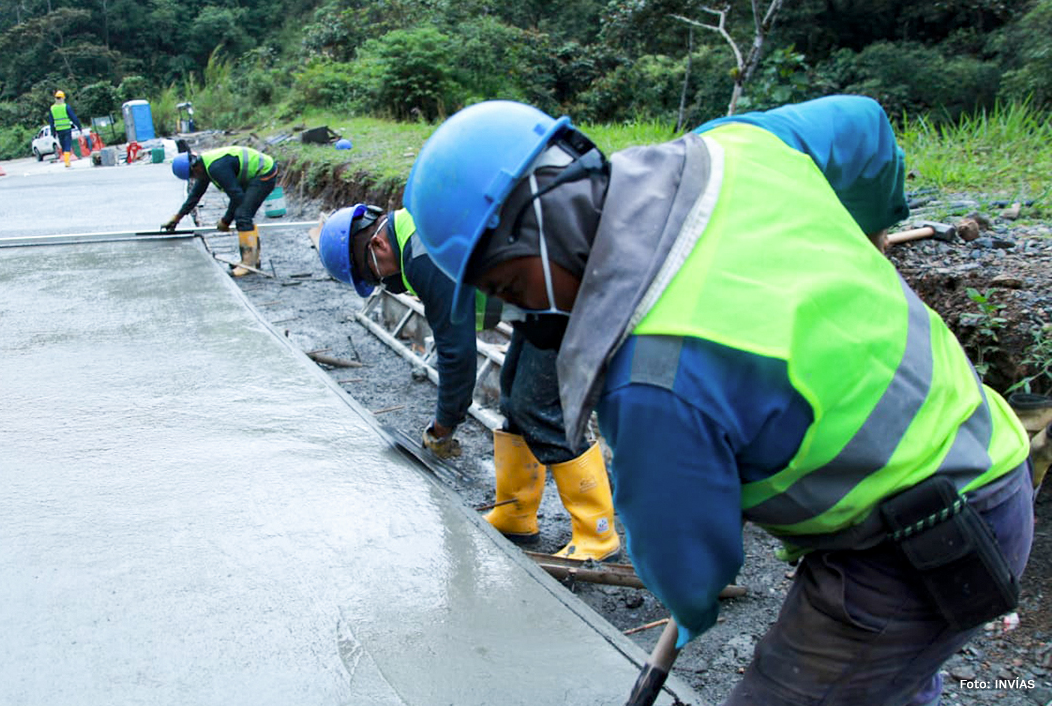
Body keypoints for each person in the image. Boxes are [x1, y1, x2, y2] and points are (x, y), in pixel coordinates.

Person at [403, 96, 1034, 705]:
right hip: (985, 451)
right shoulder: (730, 150)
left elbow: (690, 570)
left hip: (916, 547)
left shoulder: (654, 373)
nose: (521, 313)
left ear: (551, 220)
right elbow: (864, 127)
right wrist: (872, 227)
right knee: (890, 682)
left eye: (509, 283)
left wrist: (690, 608)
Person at [316, 205, 620, 560]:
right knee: (514, 398)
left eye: (377, 278)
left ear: (379, 246)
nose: (386, 284)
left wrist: (443, 427)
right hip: (543, 292)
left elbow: (456, 355)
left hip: (573, 288)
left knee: (536, 405)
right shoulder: (417, 228)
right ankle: (516, 513)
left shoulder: (423, 255)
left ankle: (597, 534)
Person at [162, 146, 279, 276]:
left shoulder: (216, 168)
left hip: (264, 173)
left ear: (195, 167)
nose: (194, 178)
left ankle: (248, 264)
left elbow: (237, 196)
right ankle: (252, 260)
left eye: (193, 175)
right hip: (254, 175)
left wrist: (226, 220)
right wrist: (177, 217)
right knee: (243, 214)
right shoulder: (204, 167)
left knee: (243, 215)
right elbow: (195, 196)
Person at [48, 90, 82, 169]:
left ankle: (67, 161)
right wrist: (79, 127)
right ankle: (67, 162)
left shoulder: (52, 108)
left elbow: (51, 121)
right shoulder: (66, 106)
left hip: (59, 130)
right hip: (66, 129)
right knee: (67, 145)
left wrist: (53, 132)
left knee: (63, 145)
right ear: (63, 98)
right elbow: (73, 118)